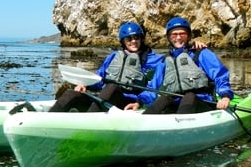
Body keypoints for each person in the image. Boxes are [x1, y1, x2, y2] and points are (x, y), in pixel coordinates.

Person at [50, 21, 207, 112]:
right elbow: (99, 78)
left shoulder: (155, 60)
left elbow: (175, 60)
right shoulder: (113, 57)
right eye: (129, 39)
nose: (133, 41)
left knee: (112, 88)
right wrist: (84, 85)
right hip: (103, 99)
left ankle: (87, 122)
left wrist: (193, 45)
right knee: (71, 93)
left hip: (126, 101)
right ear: (123, 41)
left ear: (141, 39)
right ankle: (48, 119)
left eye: (136, 38)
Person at [126, 16, 233, 114]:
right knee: (165, 98)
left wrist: (225, 96)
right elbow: (153, 87)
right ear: (169, 37)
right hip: (178, 103)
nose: (178, 38)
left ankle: (180, 128)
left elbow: (220, 75)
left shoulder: (201, 53)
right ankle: (144, 121)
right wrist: (139, 102)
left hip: (202, 102)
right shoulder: (165, 61)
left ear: (189, 36)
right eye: (174, 34)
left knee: (189, 96)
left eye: (182, 34)